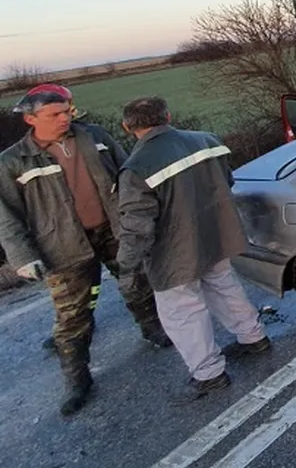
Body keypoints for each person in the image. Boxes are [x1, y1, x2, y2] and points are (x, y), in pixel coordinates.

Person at [0, 84, 169, 416]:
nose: (66, 118)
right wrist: (23, 257)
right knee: (72, 315)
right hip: (61, 246)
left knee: (137, 283)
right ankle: (77, 379)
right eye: (55, 114)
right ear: (31, 119)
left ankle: (153, 328)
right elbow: (7, 217)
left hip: (113, 230)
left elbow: (128, 173)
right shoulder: (12, 162)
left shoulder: (94, 136)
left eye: (68, 111)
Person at [115, 97, 270, 405]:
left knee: (183, 311)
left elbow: (138, 227)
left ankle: (209, 374)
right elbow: (227, 180)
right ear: (168, 116)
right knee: (225, 287)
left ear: (127, 127)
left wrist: (126, 267)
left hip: (174, 252)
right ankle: (254, 338)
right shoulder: (207, 141)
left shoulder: (136, 168)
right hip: (217, 233)